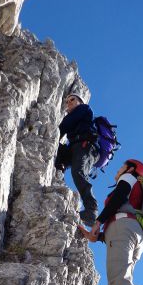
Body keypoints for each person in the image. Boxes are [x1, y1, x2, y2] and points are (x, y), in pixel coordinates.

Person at [79, 159, 143, 285]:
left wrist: (98, 222)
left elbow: (118, 197)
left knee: (119, 277)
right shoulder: (138, 191)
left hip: (123, 226)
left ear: (131, 168)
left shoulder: (129, 178)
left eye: (121, 167)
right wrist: (99, 236)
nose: (118, 171)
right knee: (118, 282)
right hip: (131, 232)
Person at [55, 92, 99, 226]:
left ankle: (92, 210)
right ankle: (58, 176)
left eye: (72, 99)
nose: (69, 103)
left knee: (77, 171)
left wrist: (55, 131)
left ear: (80, 102)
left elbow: (67, 124)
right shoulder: (74, 113)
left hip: (86, 146)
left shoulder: (84, 109)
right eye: (67, 101)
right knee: (57, 152)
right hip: (74, 146)